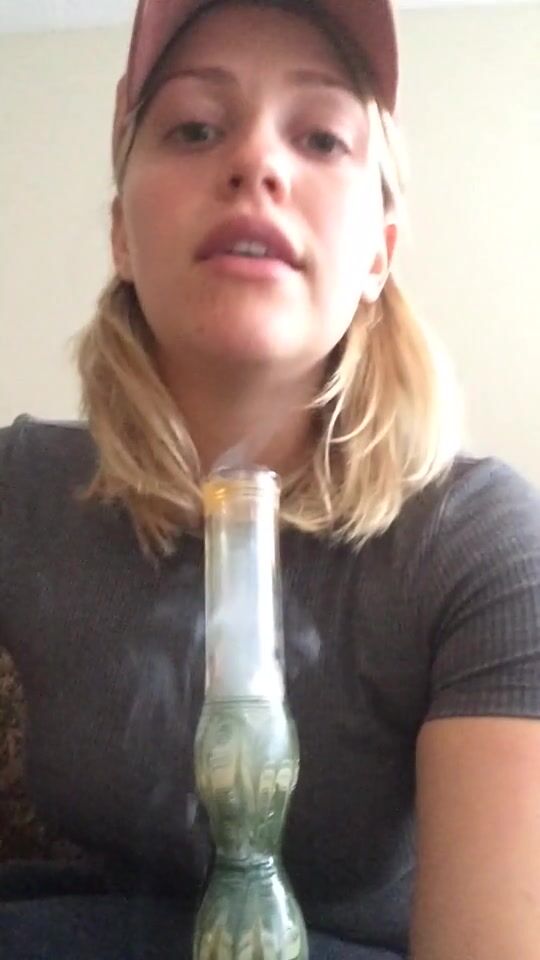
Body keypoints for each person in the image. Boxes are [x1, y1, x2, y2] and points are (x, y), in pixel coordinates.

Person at [1, 0, 540, 957]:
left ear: (378, 253)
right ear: (121, 234)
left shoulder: (481, 543)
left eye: (322, 137)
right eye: (194, 128)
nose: (256, 162)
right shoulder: (23, 492)